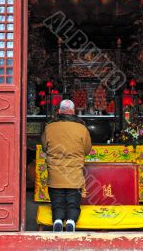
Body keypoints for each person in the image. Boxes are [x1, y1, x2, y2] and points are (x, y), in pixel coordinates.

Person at [41, 99, 92, 232]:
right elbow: (87, 149)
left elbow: (44, 148)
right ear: (74, 112)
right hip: (74, 174)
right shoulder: (82, 128)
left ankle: (57, 220)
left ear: (59, 111)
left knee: (57, 201)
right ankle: (70, 221)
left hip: (55, 172)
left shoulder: (49, 127)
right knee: (73, 201)